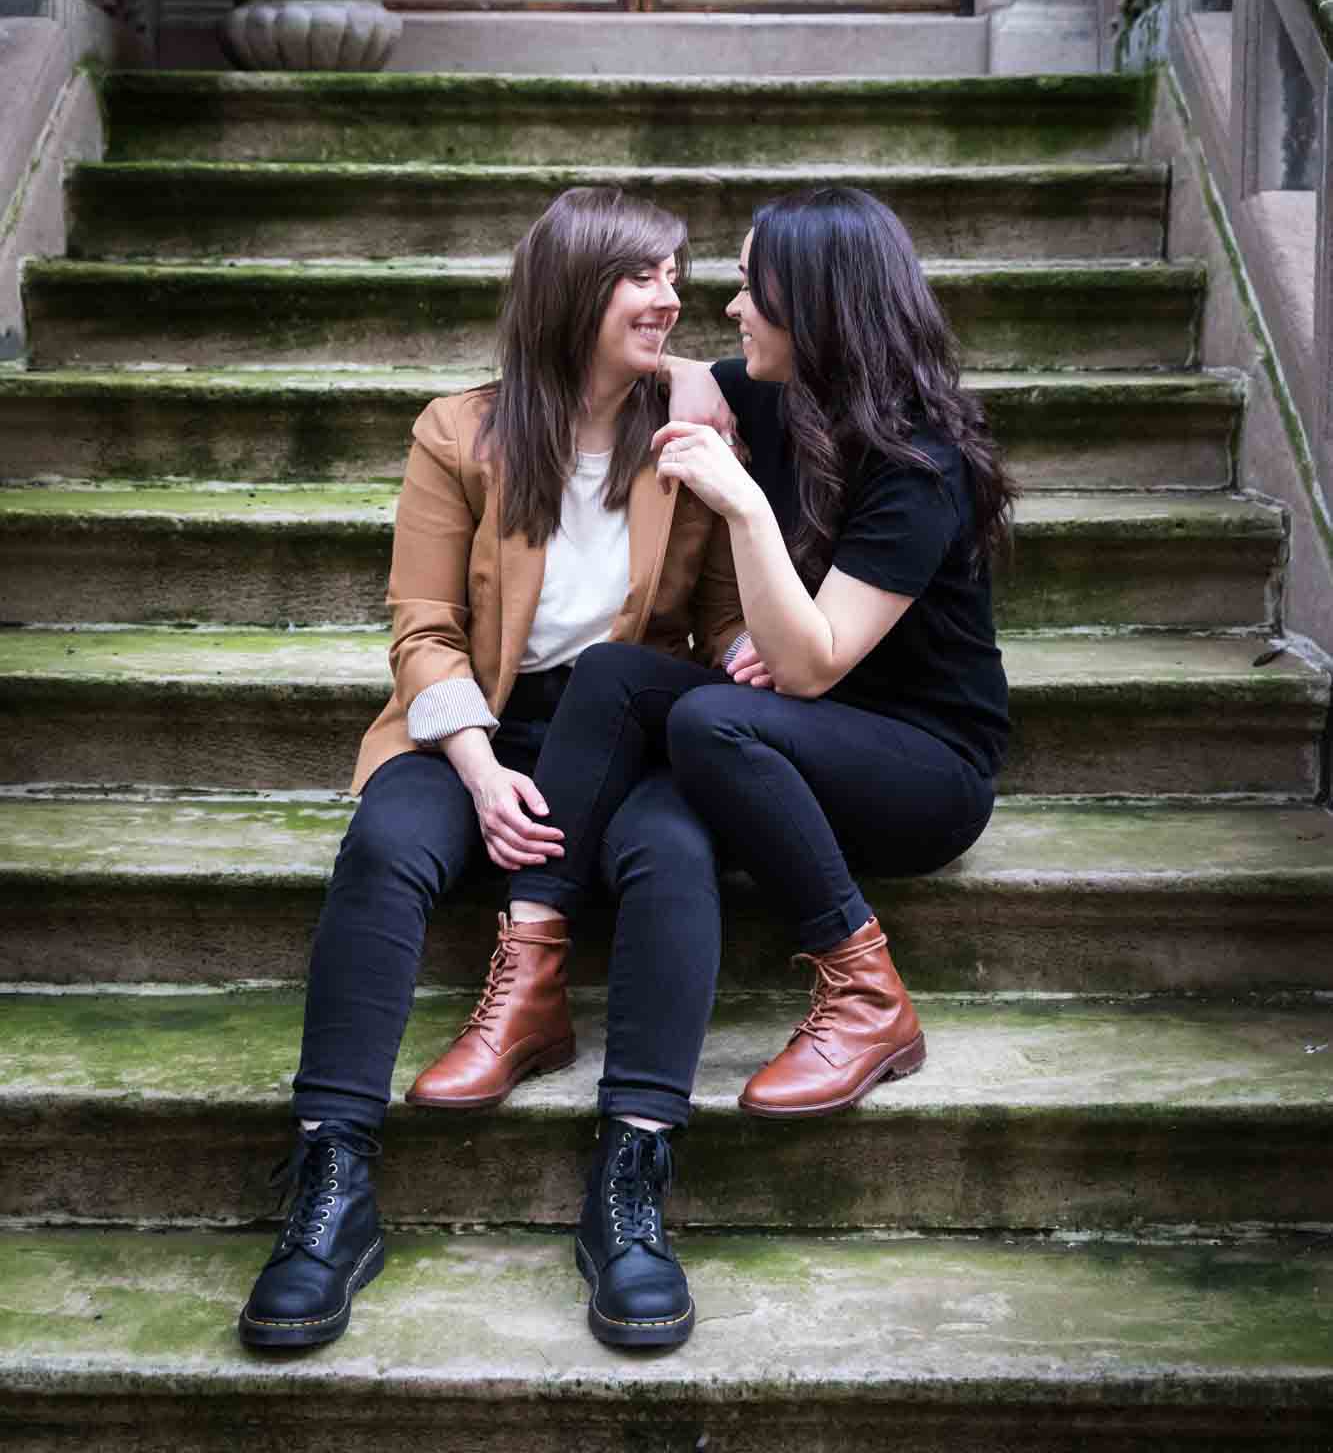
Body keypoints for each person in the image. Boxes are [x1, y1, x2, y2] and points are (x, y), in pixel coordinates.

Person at [238, 187, 742, 1356]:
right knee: (381, 843)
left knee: (675, 854)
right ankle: (332, 1181)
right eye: (644, 275)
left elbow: (717, 628)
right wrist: (473, 764)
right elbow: (420, 626)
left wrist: (748, 648)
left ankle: (631, 1179)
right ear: (574, 290)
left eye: (678, 272)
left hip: (626, 739)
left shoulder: (693, 433)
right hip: (476, 720)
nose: (673, 297)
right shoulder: (455, 432)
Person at [435, 185, 1010, 1178]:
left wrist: (743, 508)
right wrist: (694, 380)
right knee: (615, 673)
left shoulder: (918, 461)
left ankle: (867, 994)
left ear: (816, 304)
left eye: (750, 289)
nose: (731, 309)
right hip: (810, 727)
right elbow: (669, 368)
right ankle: (530, 965)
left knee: (707, 722)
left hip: (922, 766)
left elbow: (812, 659)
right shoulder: (773, 390)